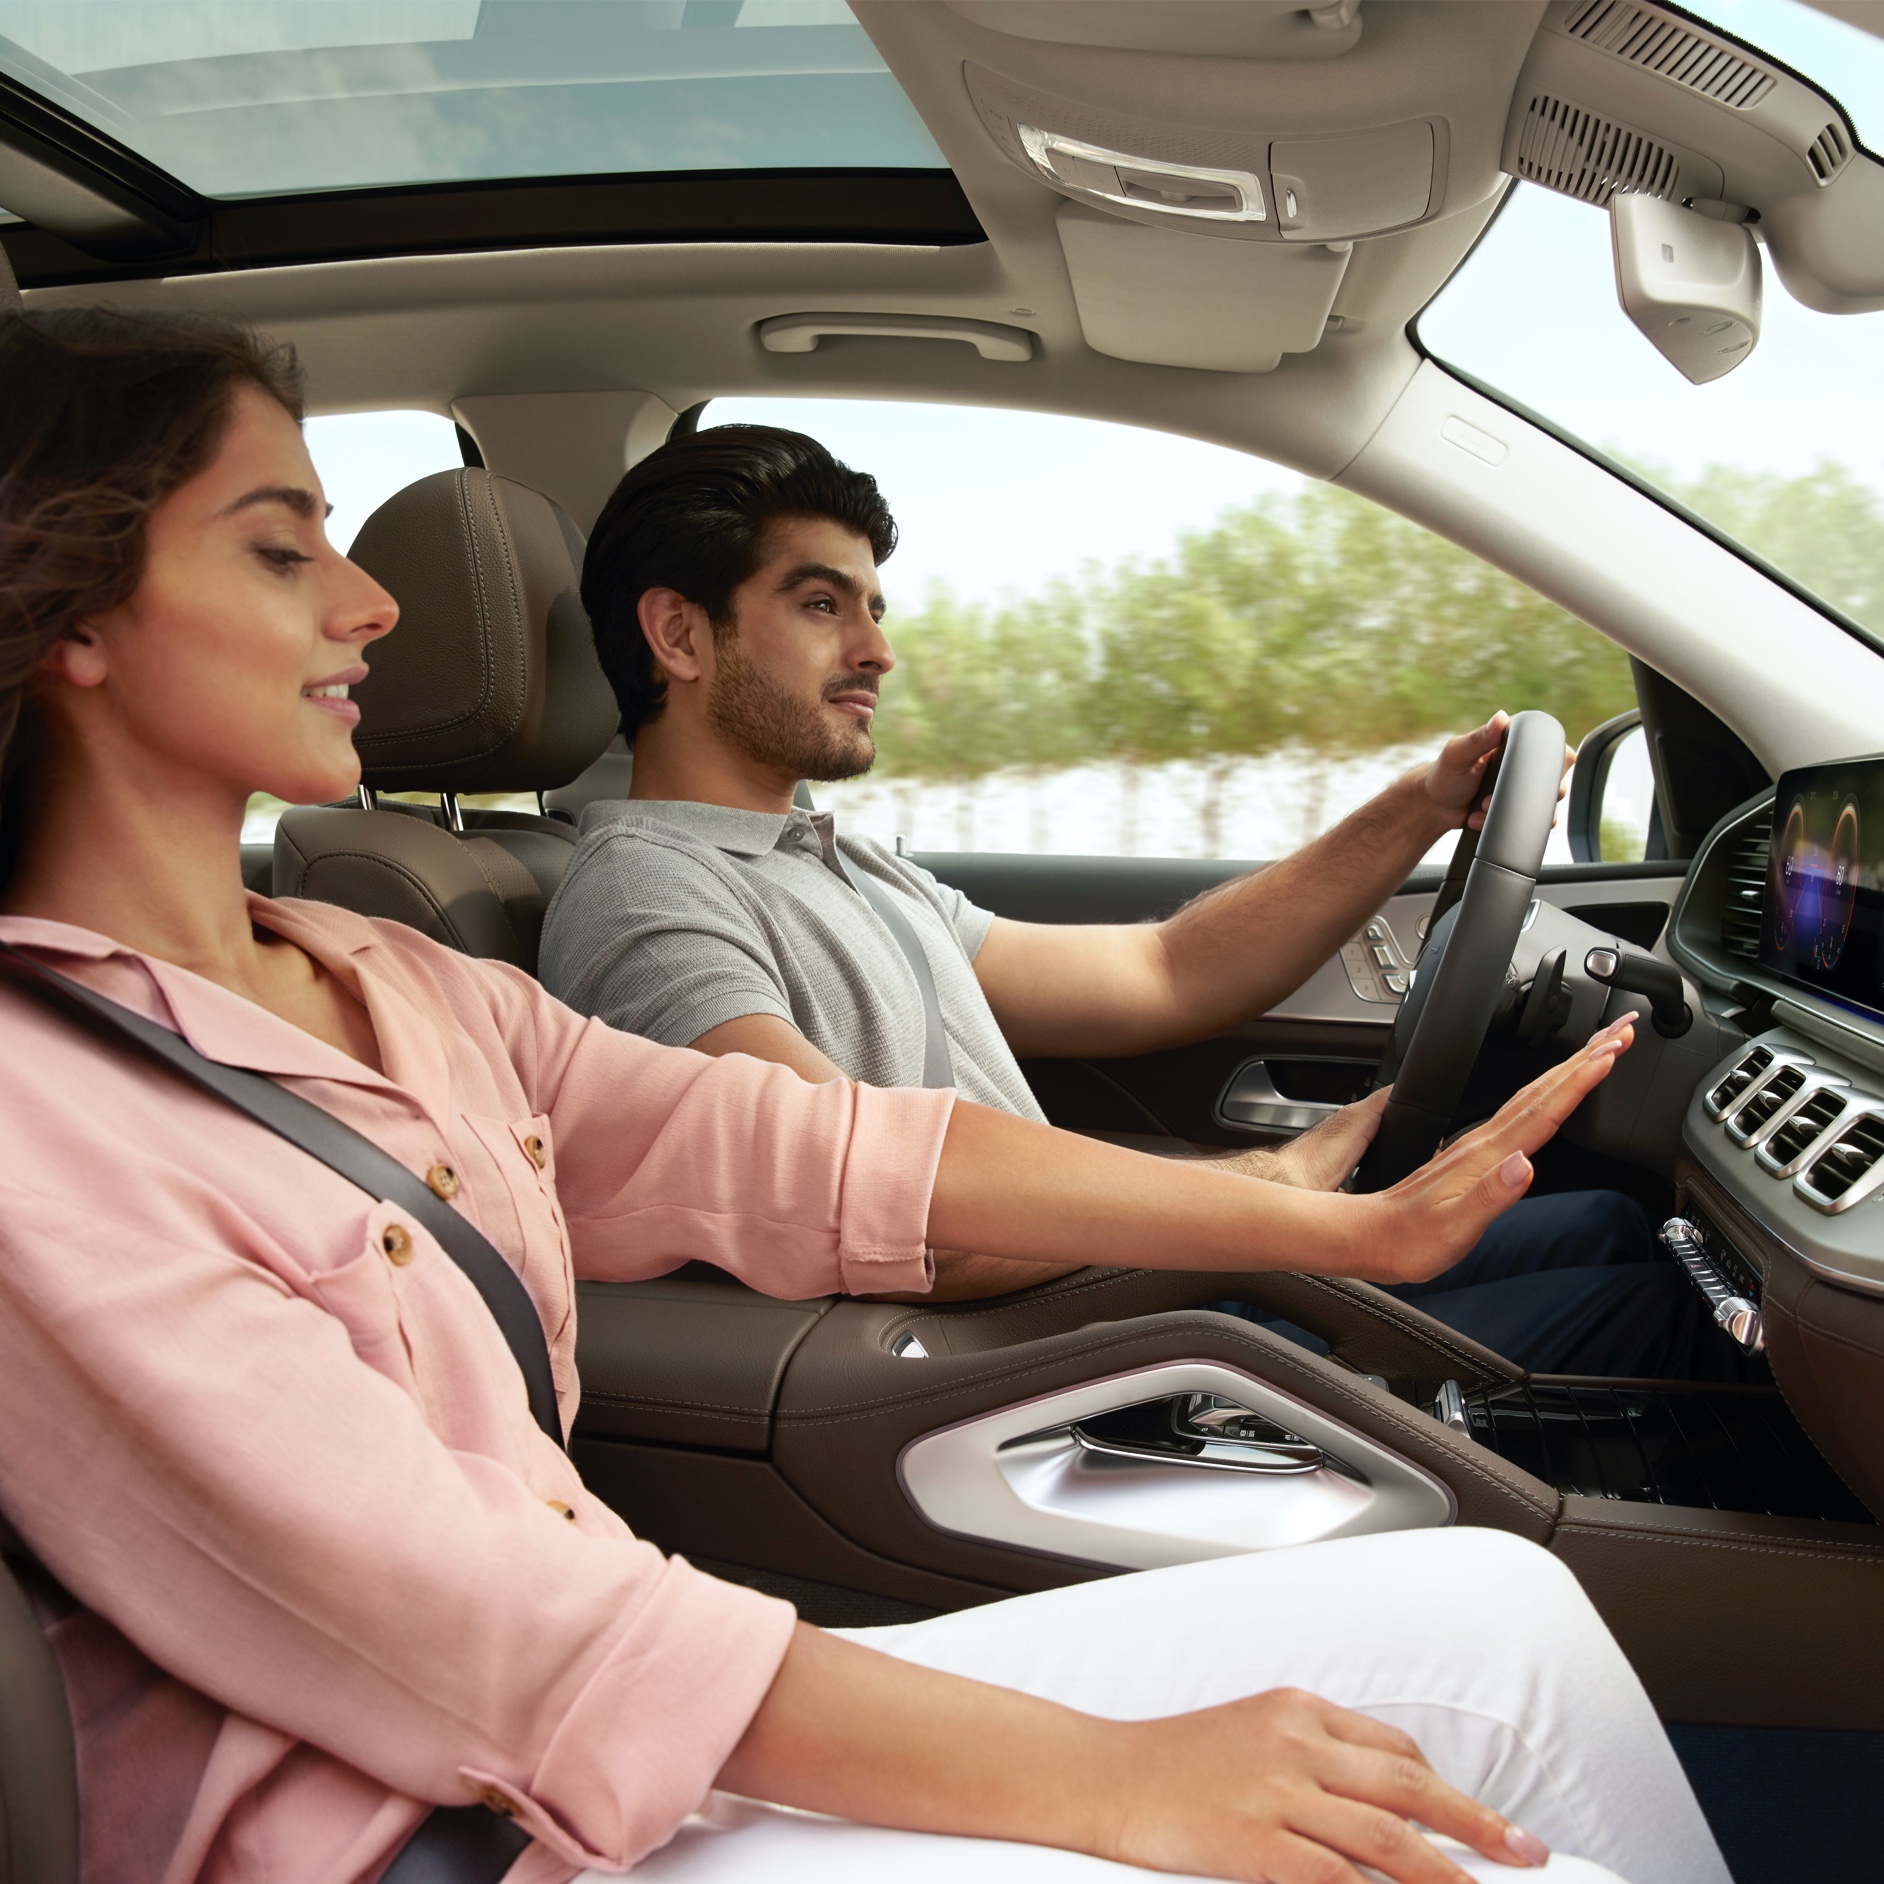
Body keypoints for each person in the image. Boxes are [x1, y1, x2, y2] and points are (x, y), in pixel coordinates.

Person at [0, 305, 1729, 1884]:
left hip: (635, 1729)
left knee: (1501, 1613)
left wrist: (1319, 1210)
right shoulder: (38, 1126)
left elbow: (812, 1148)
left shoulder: (402, 977)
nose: (367, 602)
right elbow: (493, 1622)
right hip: (448, 1831)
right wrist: (1112, 1776)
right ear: (72, 612)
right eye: (282, 548)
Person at [539, 426, 1735, 1379]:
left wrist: (1415, 808)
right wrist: (1267, 1187)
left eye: (873, 607)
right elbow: (862, 1194)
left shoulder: (840, 861)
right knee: (1670, 1320)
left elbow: (1165, 974)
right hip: (1023, 1369)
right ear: (679, 635)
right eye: (821, 605)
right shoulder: (648, 897)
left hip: (1089, 1299)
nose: (878, 650)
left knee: (1615, 1235)